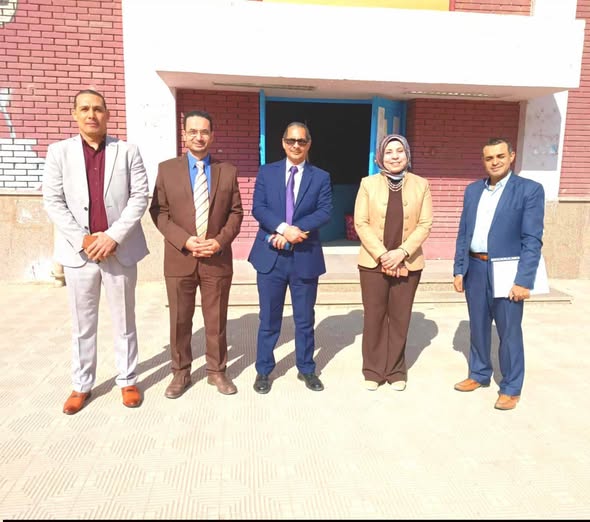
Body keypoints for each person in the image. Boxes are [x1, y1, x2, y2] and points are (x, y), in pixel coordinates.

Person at [42, 89, 149, 415]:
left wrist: (112, 236)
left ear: (107, 114)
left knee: (124, 320)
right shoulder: (58, 152)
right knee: (83, 324)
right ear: (74, 114)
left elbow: (139, 197)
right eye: (85, 109)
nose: (92, 115)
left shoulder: (127, 151)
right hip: (80, 254)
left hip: (119, 249)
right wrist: (84, 240)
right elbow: (53, 201)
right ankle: (82, 384)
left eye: (98, 109)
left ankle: (127, 379)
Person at [150, 110, 243, 398]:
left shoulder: (227, 171)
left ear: (212, 135)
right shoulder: (167, 169)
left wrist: (219, 242)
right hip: (180, 258)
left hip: (216, 258)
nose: (198, 137)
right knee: (180, 320)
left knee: (216, 319)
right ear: (184, 135)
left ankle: (217, 371)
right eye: (193, 131)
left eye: (204, 132)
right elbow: (159, 212)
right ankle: (180, 372)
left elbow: (236, 213)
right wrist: (185, 241)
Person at [453, 137, 545, 411]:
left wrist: (523, 280)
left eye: (500, 156)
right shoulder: (473, 191)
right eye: (489, 158)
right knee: (478, 326)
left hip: (507, 269)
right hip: (475, 268)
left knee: (509, 331)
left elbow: (532, 239)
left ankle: (511, 387)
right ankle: (479, 373)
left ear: (511, 156)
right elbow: (463, 233)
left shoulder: (529, 190)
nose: (495, 162)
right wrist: (459, 269)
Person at [248, 122, 332, 394]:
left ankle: (306, 368)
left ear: (309, 144)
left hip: (304, 257)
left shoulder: (320, 177)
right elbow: (259, 208)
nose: (296, 145)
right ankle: (263, 370)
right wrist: (284, 229)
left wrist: (296, 232)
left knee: (304, 319)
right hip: (271, 257)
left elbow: (324, 211)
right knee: (269, 319)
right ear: (283, 142)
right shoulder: (267, 172)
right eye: (291, 140)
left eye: (302, 141)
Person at [354, 134, 432, 391]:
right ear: (380, 157)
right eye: (389, 152)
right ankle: (373, 370)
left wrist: (402, 253)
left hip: (408, 262)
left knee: (400, 318)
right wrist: (383, 255)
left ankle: (396, 370)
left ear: (407, 155)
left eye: (400, 151)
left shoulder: (421, 185)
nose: (395, 156)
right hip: (373, 263)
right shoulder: (367, 184)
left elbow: (425, 224)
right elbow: (361, 222)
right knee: (374, 317)